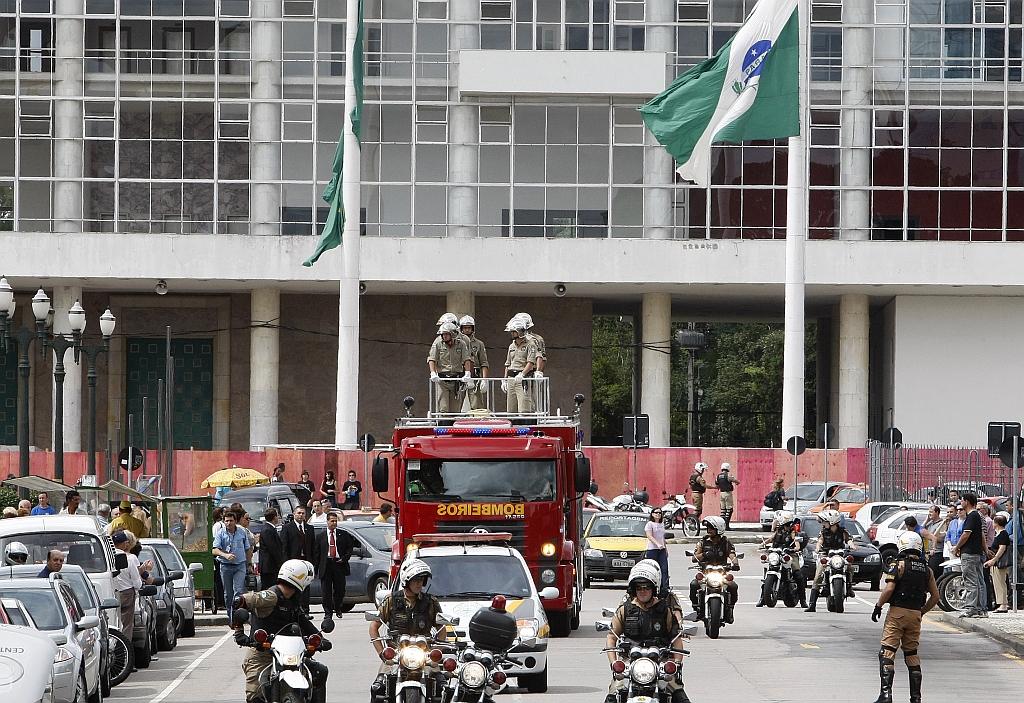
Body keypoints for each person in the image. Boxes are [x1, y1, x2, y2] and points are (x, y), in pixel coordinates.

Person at [233, 559, 328, 703]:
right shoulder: (271, 596)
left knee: (320, 672)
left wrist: (320, 639)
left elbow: (303, 621)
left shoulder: (292, 599)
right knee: (255, 695)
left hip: (289, 653)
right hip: (262, 654)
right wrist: (239, 632)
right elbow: (239, 601)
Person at [604, 561, 690, 703]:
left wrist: (677, 663)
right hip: (630, 663)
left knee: (680, 698)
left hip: (660, 663)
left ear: (654, 588)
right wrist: (614, 664)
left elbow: (676, 639)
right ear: (634, 589)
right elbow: (612, 637)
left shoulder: (665, 611)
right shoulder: (625, 609)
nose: (642, 591)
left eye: (646, 587)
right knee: (612, 696)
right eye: (639, 588)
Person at [870, 532, 939, 703]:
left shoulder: (898, 565)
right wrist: (921, 612)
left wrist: (878, 605)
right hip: (915, 614)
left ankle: (886, 695)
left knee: (887, 651)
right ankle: (915, 697)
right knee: (912, 653)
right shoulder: (927, 570)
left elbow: (889, 588)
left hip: (897, 613)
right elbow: (935, 597)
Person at [369, 558, 444, 699]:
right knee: (378, 688)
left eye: (422, 580)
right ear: (406, 581)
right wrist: (383, 654)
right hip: (396, 656)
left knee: (441, 686)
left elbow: (441, 627)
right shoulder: (391, 600)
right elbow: (374, 626)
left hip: (424, 655)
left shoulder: (430, 602)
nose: (419, 583)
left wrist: (436, 653)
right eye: (416, 580)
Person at [689, 516, 739, 623]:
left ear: (719, 529)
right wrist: (704, 554)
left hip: (722, 573)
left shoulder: (726, 542)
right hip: (707, 573)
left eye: (711, 527)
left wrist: (735, 564)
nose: (709, 529)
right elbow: (694, 558)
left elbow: (732, 554)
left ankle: (730, 610)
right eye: (708, 527)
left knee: (733, 586)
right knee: (694, 584)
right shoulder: (703, 542)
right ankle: (697, 609)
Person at [805, 509, 856, 611]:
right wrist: (817, 548)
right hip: (826, 554)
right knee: (818, 576)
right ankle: (812, 604)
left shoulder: (843, 531)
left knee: (850, 567)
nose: (824, 523)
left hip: (840, 554)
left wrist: (852, 546)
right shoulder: (823, 531)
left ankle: (849, 587)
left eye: (826, 521)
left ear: (832, 521)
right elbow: (820, 541)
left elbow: (848, 539)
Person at [758, 509, 807, 608]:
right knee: (768, 571)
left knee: (798, 574)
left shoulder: (793, 531)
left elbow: (796, 542)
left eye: (779, 519)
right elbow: (772, 538)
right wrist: (762, 544)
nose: (778, 521)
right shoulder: (779, 530)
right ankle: (763, 598)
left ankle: (803, 600)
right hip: (777, 553)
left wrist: (795, 548)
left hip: (789, 554)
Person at [952, 492, 988, 618]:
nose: (961, 503)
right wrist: (986, 549)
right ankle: (979, 608)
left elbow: (966, 534)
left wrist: (957, 547)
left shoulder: (972, 516)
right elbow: (982, 535)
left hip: (969, 553)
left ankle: (971, 607)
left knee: (970, 581)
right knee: (978, 580)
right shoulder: (977, 516)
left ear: (966, 502)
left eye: (962, 500)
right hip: (977, 552)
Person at [214, 510, 252, 624]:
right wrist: (226, 555)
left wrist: (249, 564)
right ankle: (231, 616)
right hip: (225, 566)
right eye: (226, 521)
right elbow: (215, 550)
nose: (229, 523)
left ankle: (237, 618)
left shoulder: (242, 532)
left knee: (238, 592)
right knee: (228, 594)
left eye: (231, 521)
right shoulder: (220, 533)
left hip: (240, 565)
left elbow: (247, 548)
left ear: (235, 521)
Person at [316, 512, 354, 622]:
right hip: (326, 564)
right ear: (327, 521)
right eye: (332, 521)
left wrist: (344, 558)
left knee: (340, 589)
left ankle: (338, 608)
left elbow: (349, 548)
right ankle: (328, 612)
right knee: (326, 591)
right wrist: (316, 567)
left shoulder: (343, 534)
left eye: (335, 521)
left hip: (339, 564)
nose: (334, 523)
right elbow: (317, 553)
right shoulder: (320, 536)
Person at [428, 320, 473, 413]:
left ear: (452, 334)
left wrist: (468, 373)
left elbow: (466, 359)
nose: (444, 336)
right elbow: (432, 359)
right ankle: (443, 425)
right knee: (443, 408)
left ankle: (452, 426)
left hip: (456, 380)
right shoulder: (438, 344)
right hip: (442, 381)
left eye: (446, 334)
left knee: (455, 410)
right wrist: (433, 373)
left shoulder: (461, 344)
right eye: (443, 334)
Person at [281, 505, 317, 613]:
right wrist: (286, 561)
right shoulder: (287, 528)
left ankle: (305, 610)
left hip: (306, 561)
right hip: (294, 562)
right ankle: (295, 609)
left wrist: (313, 562)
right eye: (299, 513)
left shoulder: (309, 528)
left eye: (303, 513)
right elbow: (284, 546)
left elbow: (313, 546)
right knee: (294, 585)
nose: (301, 515)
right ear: (294, 514)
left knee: (305, 586)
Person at [112, 531, 143, 641]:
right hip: (127, 592)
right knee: (126, 624)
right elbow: (136, 580)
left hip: (112, 592)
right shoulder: (131, 558)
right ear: (125, 543)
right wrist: (139, 587)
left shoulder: (108, 556)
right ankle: (125, 646)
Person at [502, 319, 537, 413]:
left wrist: (522, 374)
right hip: (511, 379)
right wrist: (504, 380)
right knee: (511, 410)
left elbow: (531, 362)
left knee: (524, 408)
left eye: (514, 331)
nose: (512, 333)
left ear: (520, 331)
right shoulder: (511, 346)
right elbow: (508, 363)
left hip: (522, 379)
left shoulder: (530, 344)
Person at [457, 315, 489, 410]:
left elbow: (484, 362)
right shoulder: (457, 343)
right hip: (460, 376)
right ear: (461, 328)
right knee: (456, 406)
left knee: (477, 406)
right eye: (465, 328)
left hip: (475, 377)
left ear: (473, 329)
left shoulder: (479, 344)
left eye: (469, 328)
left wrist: (484, 379)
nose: (467, 330)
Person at [985, 513, 1012, 614]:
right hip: (996, 563)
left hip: (999, 562)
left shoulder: (1003, 534)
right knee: (997, 582)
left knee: (1000, 583)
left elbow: (1002, 547)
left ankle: (1003, 604)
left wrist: (994, 559)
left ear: (997, 523)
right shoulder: (999, 533)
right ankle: (1001, 603)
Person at [258, 508, 285, 590]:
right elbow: (272, 548)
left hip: (271, 567)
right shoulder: (267, 530)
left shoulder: (271, 529)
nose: (278, 517)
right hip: (269, 567)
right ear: (274, 517)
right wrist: (281, 563)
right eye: (277, 515)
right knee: (268, 589)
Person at [645, 508, 670, 595]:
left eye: (660, 513)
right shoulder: (649, 524)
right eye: (656, 513)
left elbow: (662, 537)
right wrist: (657, 544)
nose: (658, 514)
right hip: (652, 550)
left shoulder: (661, 524)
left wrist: (665, 548)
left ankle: (665, 588)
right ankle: (652, 586)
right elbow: (649, 536)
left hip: (661, 550)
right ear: (652, 514)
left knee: (664, 569)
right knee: (653, 569)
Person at [922, 505, 947, 579]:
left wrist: (931, 537)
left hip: (937, 552)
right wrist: (927, 520)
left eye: (931, 512)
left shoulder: (941, 523)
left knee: (934, 574)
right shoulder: (930, 523)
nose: (929, 514)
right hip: (928, 553)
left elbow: (941, 539)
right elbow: (920, 530)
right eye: (929, 512)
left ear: (937, 512)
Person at [714, 463, 740, 529]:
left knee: (723, 510)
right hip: (728, 493)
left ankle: (721, 525)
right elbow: (735, 480)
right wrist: (737, 482)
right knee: (729, 509)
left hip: (721, 493)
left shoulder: (718, 476)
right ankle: (726, 525)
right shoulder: (728, 475)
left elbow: (717, 485)